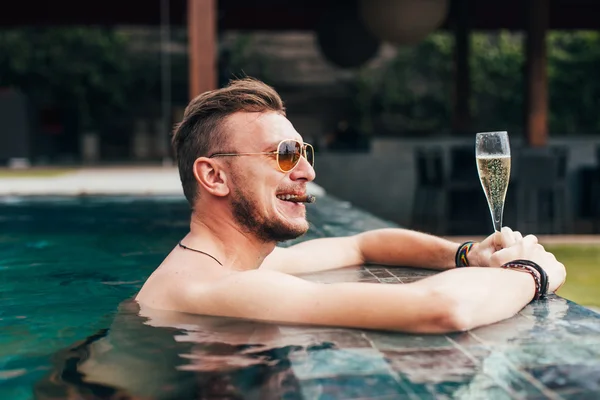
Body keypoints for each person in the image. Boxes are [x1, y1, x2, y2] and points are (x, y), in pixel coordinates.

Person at [136, 77, 566, 334]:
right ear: (214, 176)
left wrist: (468, 254)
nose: (306, 171)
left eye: (305, 153)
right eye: (284, 153)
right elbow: (441, 310)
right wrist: (534, 271)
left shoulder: (237, 265)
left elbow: (363, 245)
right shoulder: (210, 287)